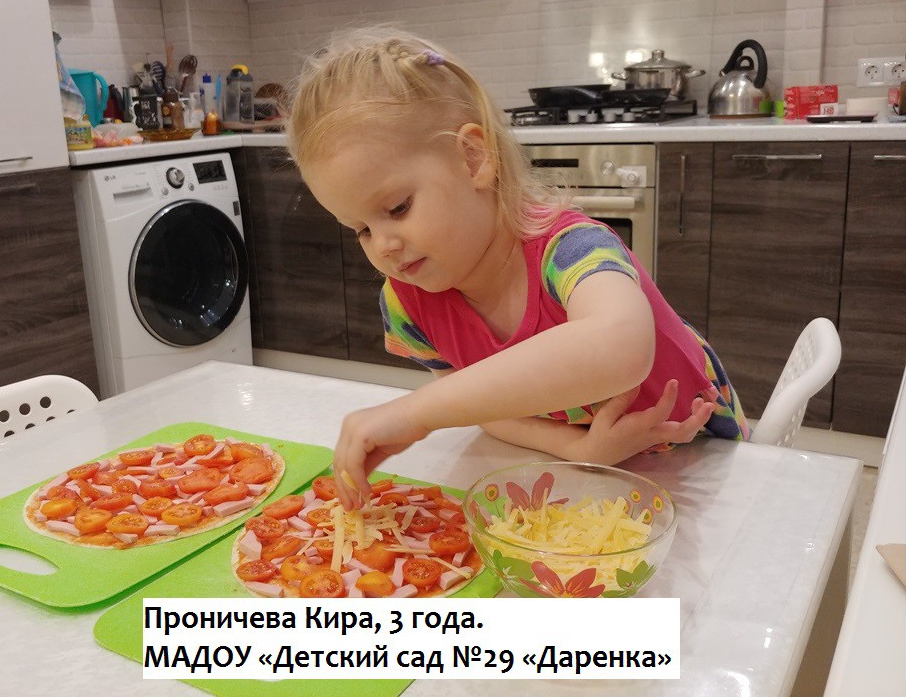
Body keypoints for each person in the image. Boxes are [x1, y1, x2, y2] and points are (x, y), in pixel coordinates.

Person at [286, 26, 748, 509]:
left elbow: (621, 347)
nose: (383, 246)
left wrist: (417, 413)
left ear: (472, 158)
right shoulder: (406, 305)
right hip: (598, 477)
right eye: (360, 229)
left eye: (398, 208)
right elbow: (488, 408)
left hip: (701, 458)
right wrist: (581, 450)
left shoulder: (571, 251)